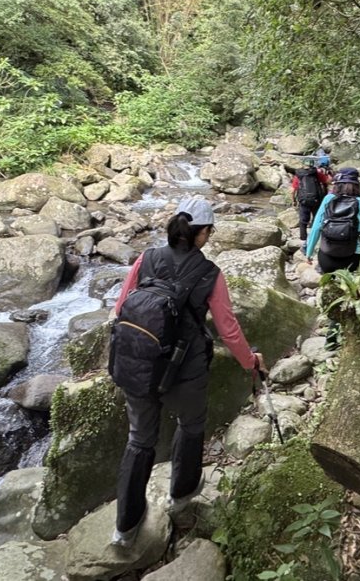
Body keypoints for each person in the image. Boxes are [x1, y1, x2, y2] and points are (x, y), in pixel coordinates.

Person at [110, 195, 267, 548]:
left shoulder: (146, 258)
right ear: (201, 233)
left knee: (139, 440)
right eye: (209, 231)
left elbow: (121, 308)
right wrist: (250, 361)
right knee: (191, 426)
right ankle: (181, 494)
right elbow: (228, 329)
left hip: (140, 367)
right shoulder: (210, 273)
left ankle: (125, 527)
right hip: (186, 369)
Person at [305, 167, 360, 273]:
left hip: (327, 259)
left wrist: (309, 253)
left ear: (337, 184)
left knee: (327, 272)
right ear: (356, 185)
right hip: (352, 260)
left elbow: (316, 228)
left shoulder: (328, 199)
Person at [291, 157, 332, 246]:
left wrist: (293, 200)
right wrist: (327, 174)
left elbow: (293, 190)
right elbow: (329, 181)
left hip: (303, 200)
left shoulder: (298, 175)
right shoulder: (316, 173)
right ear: (312, 165)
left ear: (303, 165)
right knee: (316, 218)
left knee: (303, 219)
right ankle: (314, 236)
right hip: (316, 199)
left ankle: (303, 238)